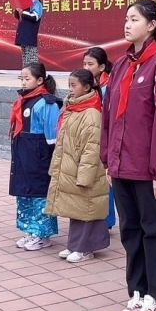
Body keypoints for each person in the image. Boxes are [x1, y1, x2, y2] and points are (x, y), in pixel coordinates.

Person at [101, 0, 156, 311]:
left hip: (149, 171)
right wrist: (108, 160)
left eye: (134, 19)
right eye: (126, 18)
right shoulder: (121, 65)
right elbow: (109, 117)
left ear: (151, 25)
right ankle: (137, 292)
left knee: (153, 232)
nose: (127, 24)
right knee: (130, 232)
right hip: (122, 167)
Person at [45, 69, 111, 263]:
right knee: (76, 208)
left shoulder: (91, 113)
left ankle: (85, 248)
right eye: (69, 85)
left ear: (87, 87)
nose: (70, 89)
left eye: (74, 85)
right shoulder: (73, 108)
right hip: (72, 167)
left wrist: (84, 175)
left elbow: (92, 149)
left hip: (85, 170)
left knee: (87, 209)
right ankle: (76, 245)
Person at [9, 62, 61, 251]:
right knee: (24, 193)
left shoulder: (47, 103)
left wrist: (50, 159)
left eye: (27, 78)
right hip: (23, 153)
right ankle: (30, 231)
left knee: (39, 194)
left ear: (40, 80)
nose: (23, 82)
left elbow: (53, 136)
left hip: (39, 156)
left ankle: (42, 235)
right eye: (21, 78)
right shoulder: (22, 100)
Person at [83, 47, 117, 230]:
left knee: (106, 180)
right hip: (92, 136)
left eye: (90, 64)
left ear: (102, 67)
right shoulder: (89, 85)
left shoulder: (107, 87)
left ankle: (106, 219)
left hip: (105, 137)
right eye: (84, 64)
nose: (86, 68)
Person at [13, 0, 44, 67]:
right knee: (25, 59)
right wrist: (17, 10)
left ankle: (33, 73)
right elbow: (18, 16)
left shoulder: (36, 1)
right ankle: (26, 72)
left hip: (30, 35)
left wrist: (22, 12)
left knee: (31, 60)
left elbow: (35, 16)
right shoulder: (22, 1)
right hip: (23, 35)